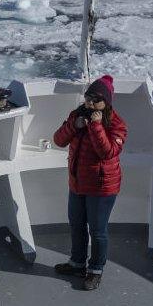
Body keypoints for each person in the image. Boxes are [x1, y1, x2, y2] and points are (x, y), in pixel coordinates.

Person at [51, 75, 128, 291]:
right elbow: (58, 140)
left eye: (96, 99)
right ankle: (77, 264)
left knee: (98, 230)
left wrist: (95, 126)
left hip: (102, 188)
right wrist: (74, 126)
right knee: (76, 225)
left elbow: (107, 152)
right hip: (77, 183)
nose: (90, 103)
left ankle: (95, 270)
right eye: (88, 98)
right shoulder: (77, 115)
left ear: (107, 102)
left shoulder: (117, 125)